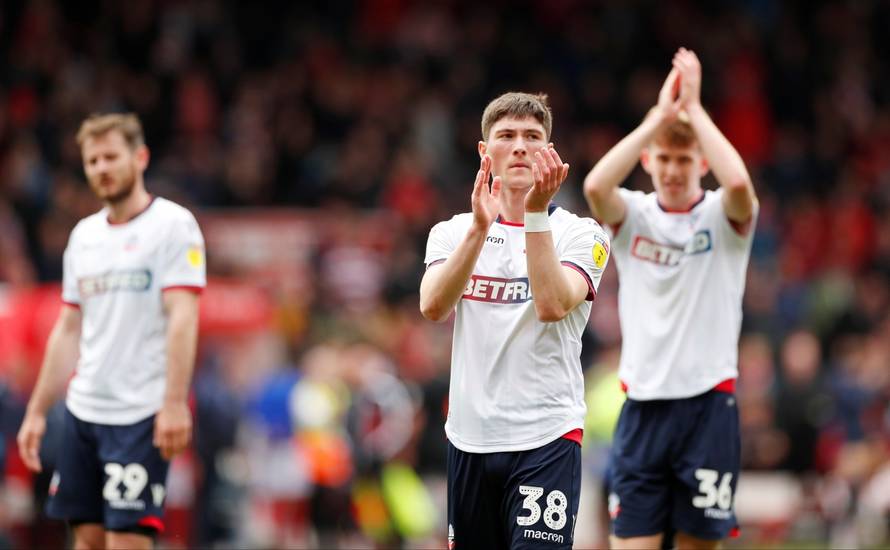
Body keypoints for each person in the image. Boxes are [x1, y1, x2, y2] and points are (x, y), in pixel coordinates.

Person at [583, 48, 758, 549]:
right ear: (647, 160)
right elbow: (596, 185)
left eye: (684, 159)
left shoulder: (723, 218)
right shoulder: (634, 215)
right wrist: (658, 117)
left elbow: (741, 183)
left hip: (708, 404)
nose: (674, 170)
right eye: (664, 158)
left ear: (701, 161)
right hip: (641, 408)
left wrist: (696, 110)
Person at [420, 92, 610, 549]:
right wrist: (480, 230)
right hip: (469, 439)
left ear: (551, 152)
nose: (521, 146)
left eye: (533, 137)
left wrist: (536, 214)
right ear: (485, 152)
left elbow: (551, 304)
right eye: (507, 136)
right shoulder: (452, 231)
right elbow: (433, 307)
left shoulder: (581, 234)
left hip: (546, 436)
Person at [16, 113, 206, 550]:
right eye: (92, 160)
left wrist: (175, 402)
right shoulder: (83, 237)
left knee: (127, 542)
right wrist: (38, 411)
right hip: (84, 411)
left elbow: (184, 316)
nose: (101, 168)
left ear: (140, 157)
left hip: (140, 412)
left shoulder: (173, 226)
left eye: (111, 157)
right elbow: (67, 328)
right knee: (87, 539)